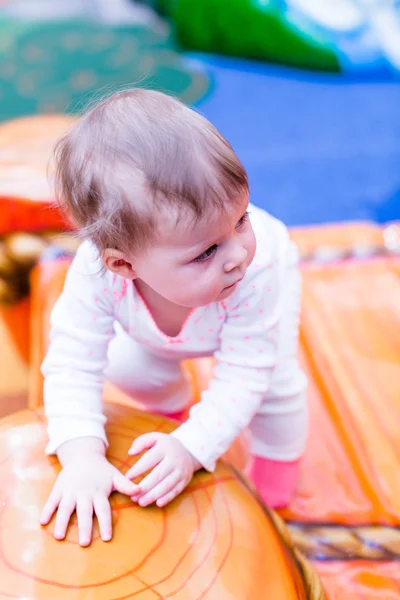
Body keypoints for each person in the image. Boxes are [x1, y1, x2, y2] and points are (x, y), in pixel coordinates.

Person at [40, 89, 308, 547]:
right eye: (206, 251)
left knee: (277, 390)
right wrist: (81, 455)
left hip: (251, 317)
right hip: (156, 332)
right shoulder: (96, 276)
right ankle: (171, 406)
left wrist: (193, 446)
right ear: (124, 265)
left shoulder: (257, 268)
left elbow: (246, 372)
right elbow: (70, 362)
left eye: (241, 219)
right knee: (132, 366)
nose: (237, 254)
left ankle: (276, 486)